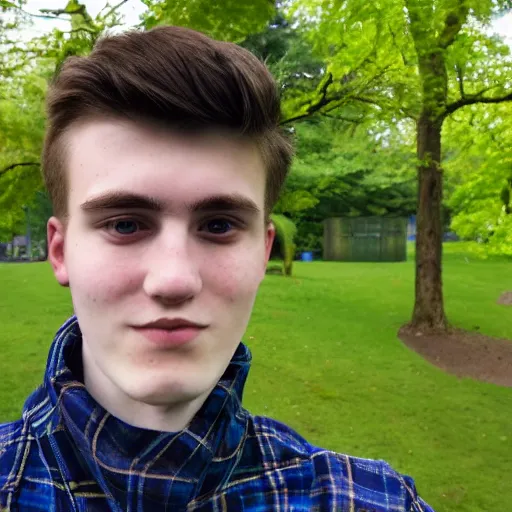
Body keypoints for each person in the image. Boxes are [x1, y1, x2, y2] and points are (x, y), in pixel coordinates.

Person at [0, 26, 434, 511]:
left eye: (220, 224)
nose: (173, 280)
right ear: (60, 252)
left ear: (262, 252)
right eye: (124, 224)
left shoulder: (370, 501)